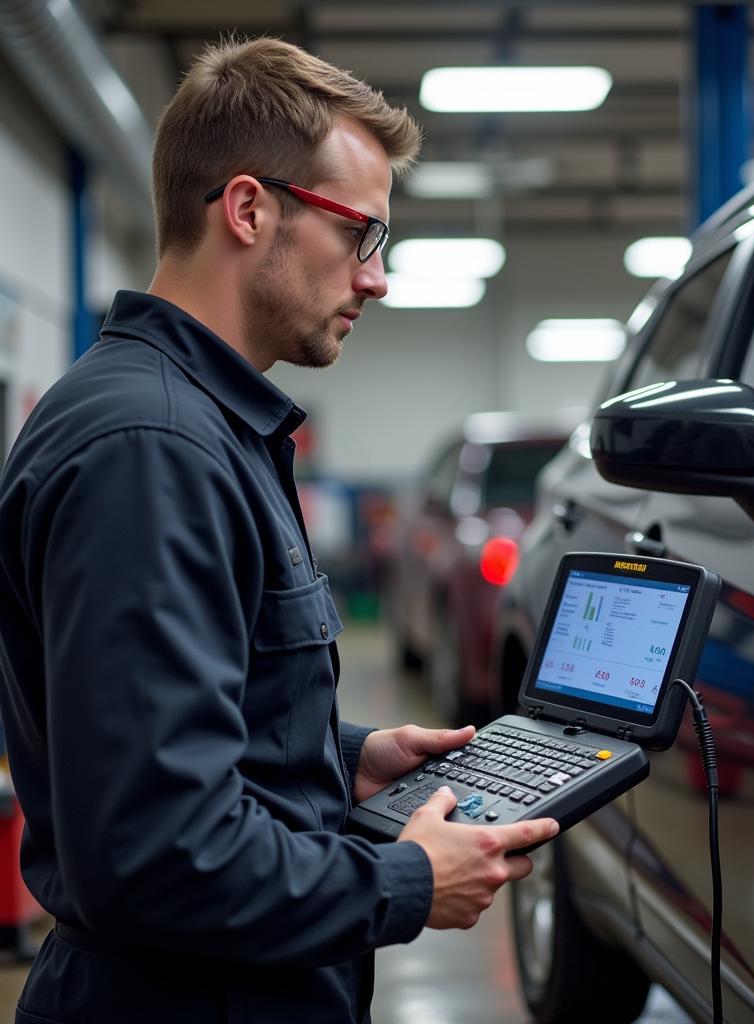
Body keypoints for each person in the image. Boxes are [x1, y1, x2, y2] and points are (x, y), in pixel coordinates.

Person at [0, 36, 557, 1024]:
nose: (375, 278)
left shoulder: (191, 424)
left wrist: (339, 758)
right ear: (250, 209)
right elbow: (157, 849)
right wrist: (406, 882)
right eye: (361, 236)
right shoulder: (152, 448)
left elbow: (170, 729)